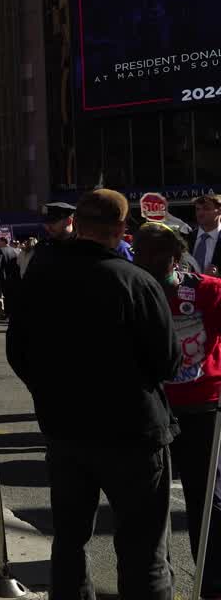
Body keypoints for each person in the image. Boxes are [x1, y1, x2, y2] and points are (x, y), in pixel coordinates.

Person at [8, 189, 179, 600]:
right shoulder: (136, 281)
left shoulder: (40, 278)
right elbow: (167, 362)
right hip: (133, 432)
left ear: (77, 226)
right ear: (122, 230)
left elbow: (19, 351)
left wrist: (49, 391)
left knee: (69, 541)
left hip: (65, 430)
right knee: (143, 551)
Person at [134, 221, 221, 597]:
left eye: (158, 255)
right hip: (156, 407)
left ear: (175, 256)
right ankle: (159, 580)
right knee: (152, 500)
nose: (150, 261)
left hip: (202, 406)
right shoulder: (133, 290)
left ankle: (213, 578)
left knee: (206, 499)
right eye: (143, 254)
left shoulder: (207, 290)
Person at [189, 194, 221, 276]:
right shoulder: (186, 237)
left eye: (206, 209)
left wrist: (219, 274)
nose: (200, 213)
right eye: (198, 209)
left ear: (219, 211)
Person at [0, 237, 22, 320]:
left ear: (4, 242)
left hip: (6, 278)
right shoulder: (16, 250)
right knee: (15, 296)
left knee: (7, 296)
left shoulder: (1, 250)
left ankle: (8, 314)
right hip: (16, 277)